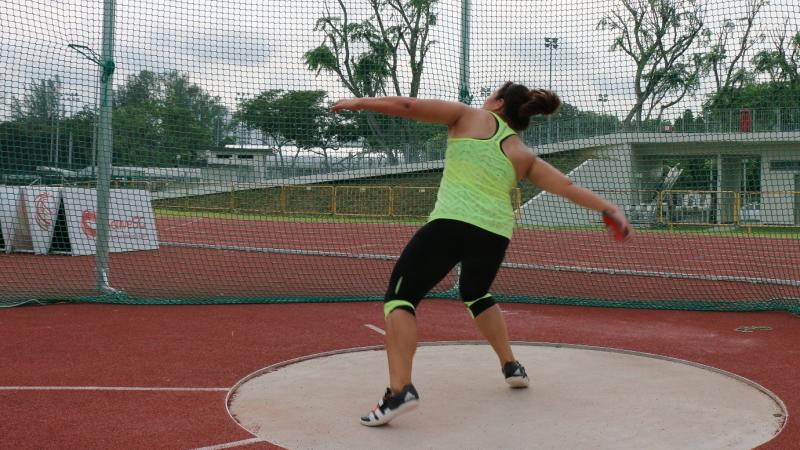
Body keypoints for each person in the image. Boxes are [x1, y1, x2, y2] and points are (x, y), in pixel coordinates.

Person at [330, 81, 632, 427]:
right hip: (495, 235)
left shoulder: (468, 116)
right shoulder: (522, 153)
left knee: (400, 299)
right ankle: (511, 366)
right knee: (475, 293)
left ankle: (400, 391)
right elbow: (567, 186)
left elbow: (409, 107)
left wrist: (360, 102)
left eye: (490, 95)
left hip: (452, 223)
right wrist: (610, 209)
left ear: (498, 103)